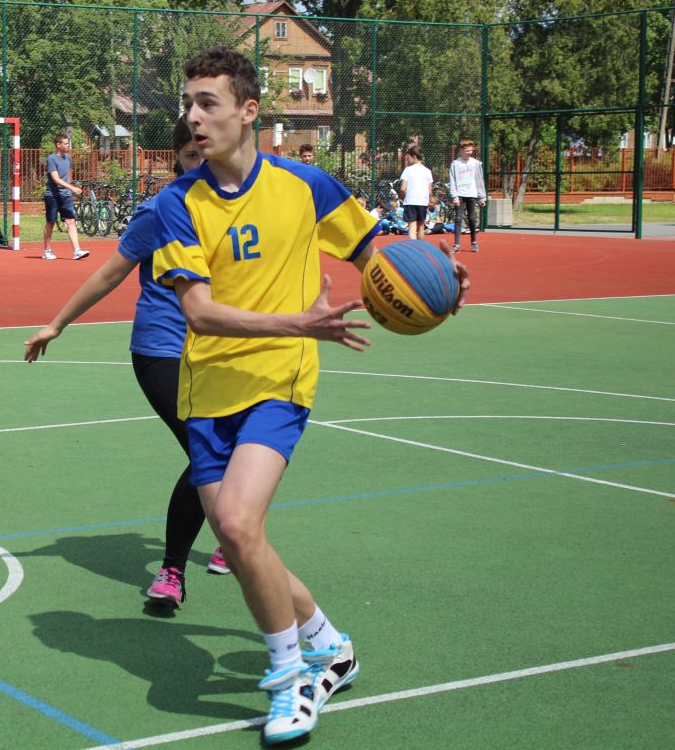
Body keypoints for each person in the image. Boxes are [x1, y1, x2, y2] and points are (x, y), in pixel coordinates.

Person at [151, 48, 468, 744]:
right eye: (188, 103)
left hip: (280, 382)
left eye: (208, 102)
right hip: (208, 388)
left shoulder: (304, 185)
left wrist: (439, 278)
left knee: (237, 525)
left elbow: (377, 257)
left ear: (248, 111)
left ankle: (291, 677)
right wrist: (300, 320)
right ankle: (329, 643)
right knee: (242, 540)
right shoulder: (178, 204)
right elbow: (198, 313)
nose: (194, 116)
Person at [24, 116, 229, 609]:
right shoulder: (161, 209)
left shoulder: (238, 209)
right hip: (162, 347)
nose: (200, 164)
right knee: (207, 449)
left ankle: (230, 531)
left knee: (232, 450)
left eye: (207, 154)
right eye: (190, 155)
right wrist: (57, 324)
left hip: (220, 349)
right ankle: (173, 570)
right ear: (176, 158)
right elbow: (110, 274)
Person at [42, 134, 90, 261]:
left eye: (68, 143)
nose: (68, 145)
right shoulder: (51, 159)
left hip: (66, 196)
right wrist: (72, 188)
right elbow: (56, 179)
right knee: (50, 222)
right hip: (52, 196)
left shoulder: (68, 157)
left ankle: (77, 251)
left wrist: (70, 189)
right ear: (58, 145)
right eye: (65, 143)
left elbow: (66, 177)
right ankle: (47, 251)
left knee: (71, 222)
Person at [448, 138, 486, 252]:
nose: (469, 152)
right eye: (467, 150)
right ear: (462, 150)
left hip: (472, 194)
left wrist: (481, 197)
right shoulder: (455, 164)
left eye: (471, 150)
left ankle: (473, 242)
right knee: (458, 218)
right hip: (460, 194)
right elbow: (452, 180)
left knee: (472, 218)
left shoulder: (475, 163)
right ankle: (456, 245)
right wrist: (455, 196)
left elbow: (479, 180)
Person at [398, 147, 433, 240]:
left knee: (412, 227)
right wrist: (429, 201)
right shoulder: (428, 171)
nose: (408, 159)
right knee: (421, 227)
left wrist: (402, 196)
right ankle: (421, 247)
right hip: (423, 201)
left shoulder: (408, 170)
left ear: (414, 157)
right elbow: (430, 191)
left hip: (411, 201)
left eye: (409, 157)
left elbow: (403, 188)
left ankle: (412, 247)